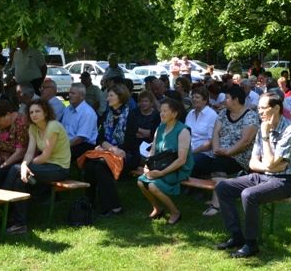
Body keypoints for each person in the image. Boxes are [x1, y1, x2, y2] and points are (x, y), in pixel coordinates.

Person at [214, 92, 291, 258]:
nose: (259, 111)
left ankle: (251, 243)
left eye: (263, 108)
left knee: (249, 195)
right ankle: (236, 236)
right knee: (222, 187)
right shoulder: (262, 126)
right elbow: (253, 163)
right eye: (258, 108)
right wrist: (271, 167)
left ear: (276, 108)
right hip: (263, 175)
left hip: (283, 181)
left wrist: (266, 136)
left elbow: (270, 160)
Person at [2, 99, 70, 235]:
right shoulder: (33, 128)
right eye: (31, 112)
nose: (34, 114)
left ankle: (2, 202)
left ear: (45, 112)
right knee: (20, 180)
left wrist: (25, 167)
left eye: (37, 111)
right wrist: (24, 165)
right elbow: (29, 152)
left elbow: (44, 156)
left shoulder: (53, 126)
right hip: (44, 166)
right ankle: (19, 223)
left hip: (59, 168)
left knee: (15, 169)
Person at [83, 84, 139, 217]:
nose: (107, 99)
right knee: (90, 164)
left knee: (101, 167)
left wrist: (109, 148)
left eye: (111, 95)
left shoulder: (131, 115)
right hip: (110, 153)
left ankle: (114, 207)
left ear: (120, 97)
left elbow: (129, 143)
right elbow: (99, 138)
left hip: (128, 155)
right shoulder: (107, 114)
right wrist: (111, 148)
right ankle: (90, 201)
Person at [137, 98, 194, 225]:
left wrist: (161, 173)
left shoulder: (183, 131)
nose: (161, 114)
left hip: (179, 168)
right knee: (141, 181)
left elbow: (181, 160)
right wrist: (147, 166)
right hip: (161, 165)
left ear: (174, 114)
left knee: (152, 185)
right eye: (160, 111)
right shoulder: (160, 128)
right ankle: (157, 208)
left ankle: (175, 212)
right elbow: (152, 150)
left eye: (165, 111)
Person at [191, 85, 258, 178]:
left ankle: (221, 186)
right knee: (194, 163)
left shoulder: (250, 116)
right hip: (218, 155)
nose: (224, 100)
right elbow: (215, 133)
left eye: (227, 98)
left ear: (236, 100)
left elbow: (245, 141)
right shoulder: (223, 113)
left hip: (237, 158)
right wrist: (216, 150)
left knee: (218, 165)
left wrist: (228, 152)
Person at [0, 99, 28, 187]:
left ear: (8, 114)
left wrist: (0, 168)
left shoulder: (21, 123)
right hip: (1, 160)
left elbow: (20, 152)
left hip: (16, 162)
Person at [60, 83, 98, 161]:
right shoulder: (68, 109)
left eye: (73, 93)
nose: (69, 95)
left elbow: (80, 138)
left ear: (82, 96)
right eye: (69, 93)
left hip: (83, 145)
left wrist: (62, 146)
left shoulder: (87, 113)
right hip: (68, 142)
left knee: (55, 153)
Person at [186, 87, 218, 157]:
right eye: (193, 97)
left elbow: (211, 142)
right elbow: (185, 133)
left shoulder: (212, 115)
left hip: (203, 153)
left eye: (197, 97)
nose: (194, 99)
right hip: (187, 150)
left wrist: (192, 152)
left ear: (205, 100)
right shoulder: (190, 113)